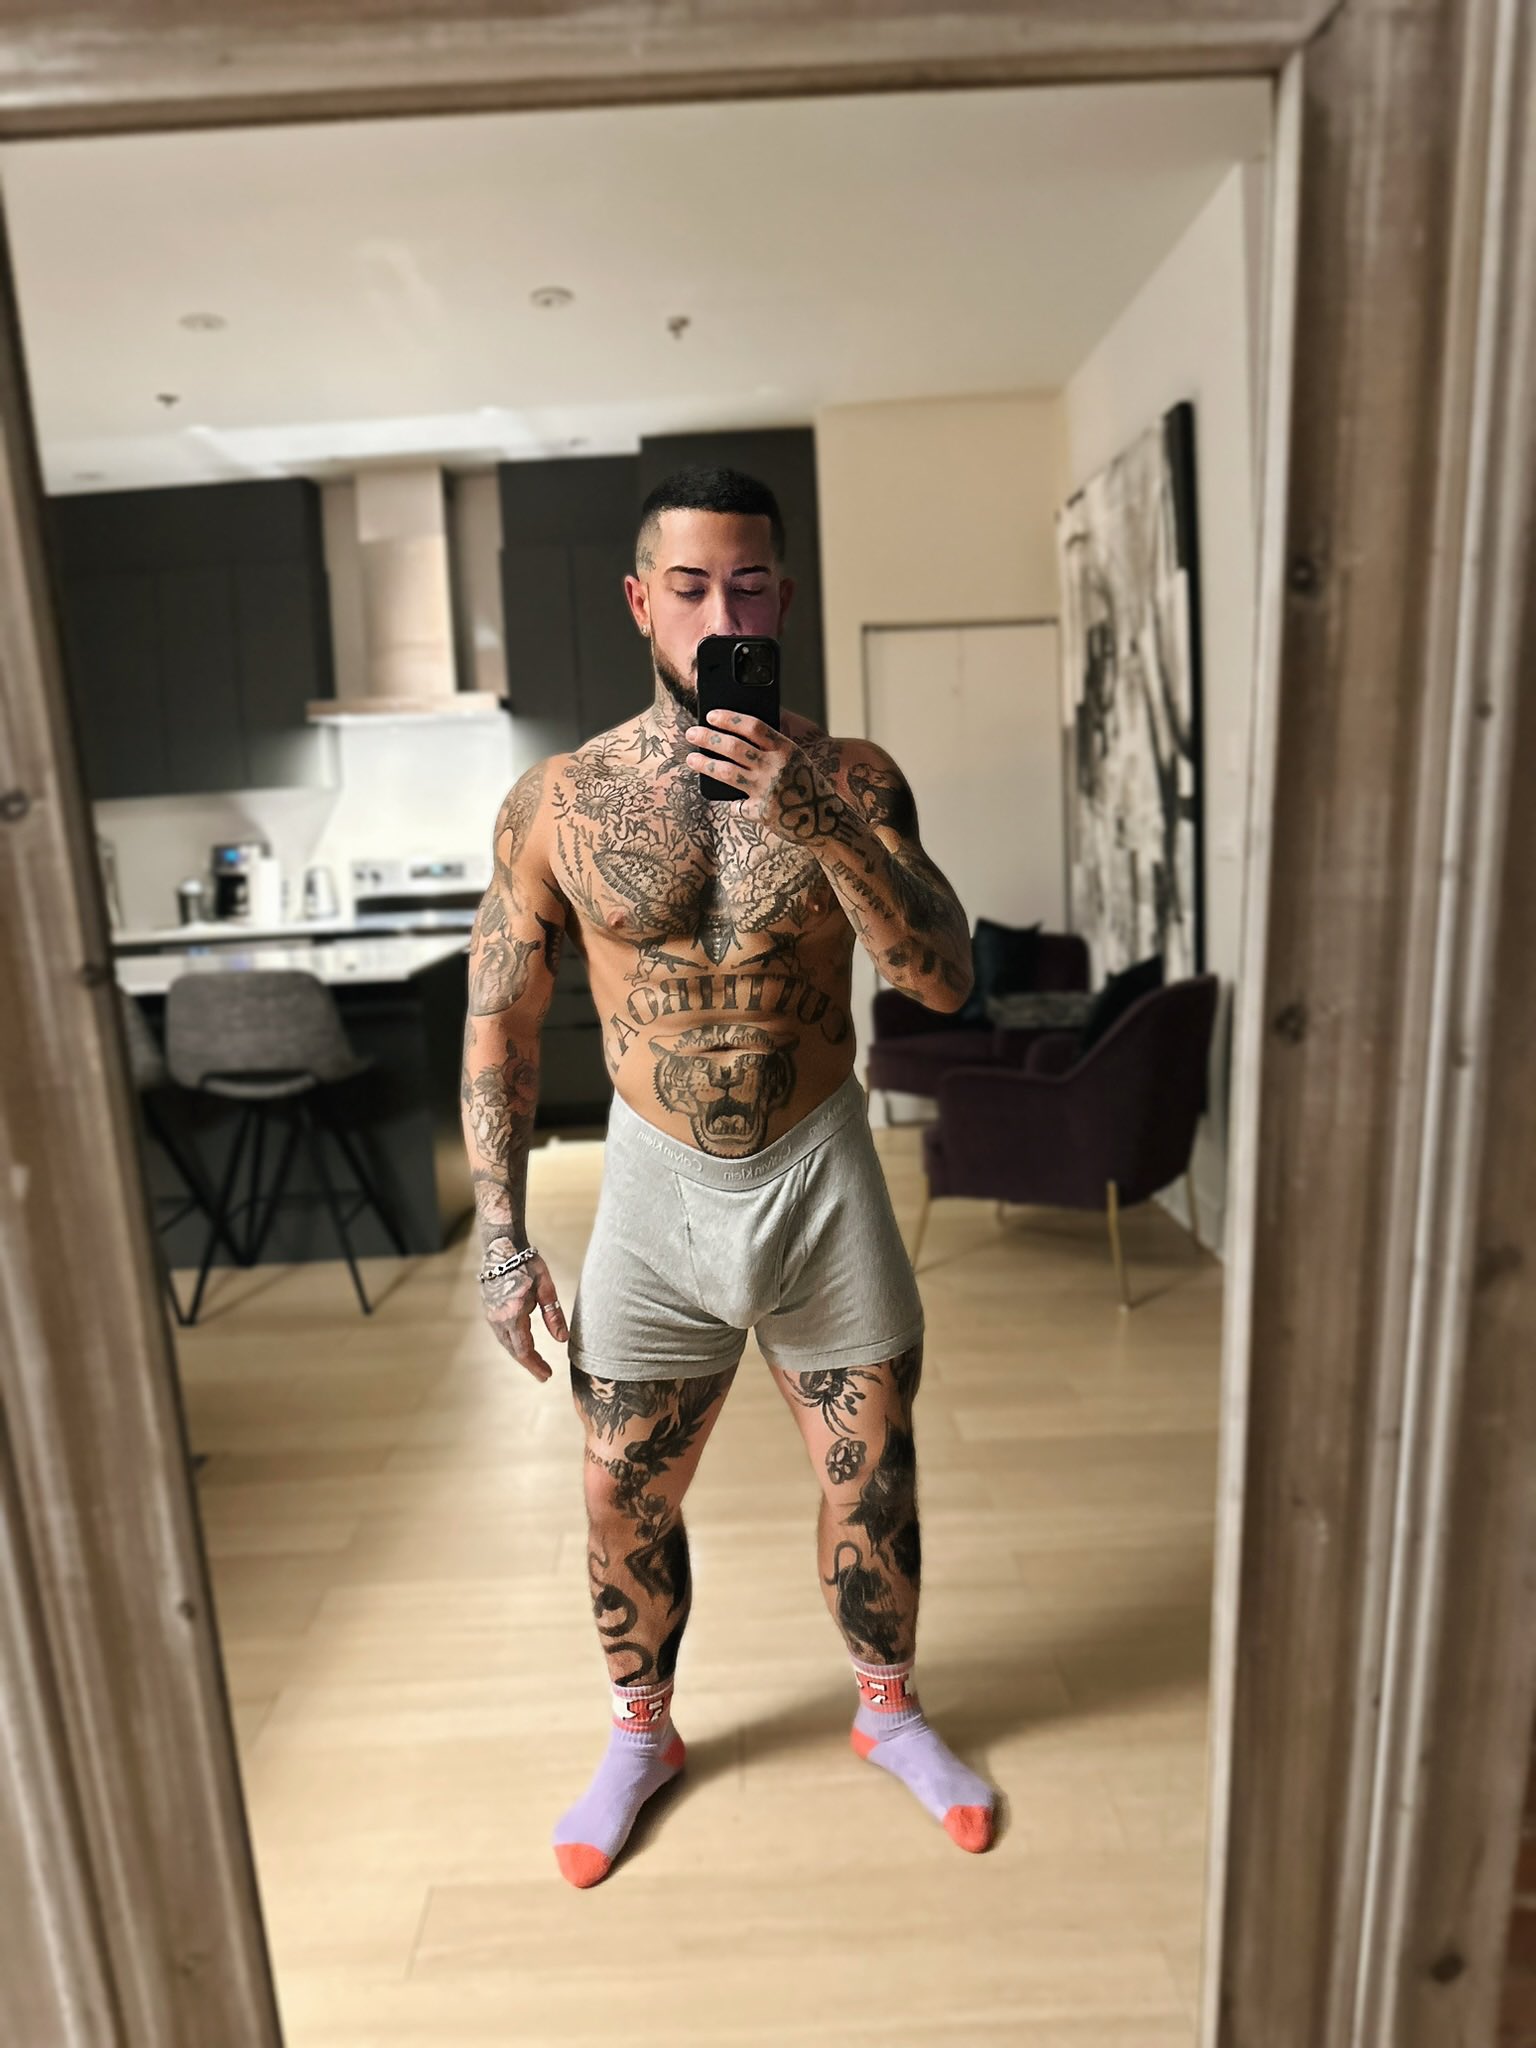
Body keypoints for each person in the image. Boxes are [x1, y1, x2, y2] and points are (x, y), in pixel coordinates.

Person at [461, 465, 997, 1888]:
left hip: (820, 1166)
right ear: (641, 601)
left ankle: (890, 1714)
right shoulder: (557, 800)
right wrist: (502, 1237)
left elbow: (943, 981)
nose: (722, 616)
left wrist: (815, 815)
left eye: (748, 586)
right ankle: (642, 1736)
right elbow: (502, 1020)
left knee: (874, 1480)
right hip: (653, 1188)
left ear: (784, 599)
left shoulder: (856, 777)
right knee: (619, 1495)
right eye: (691, 588)